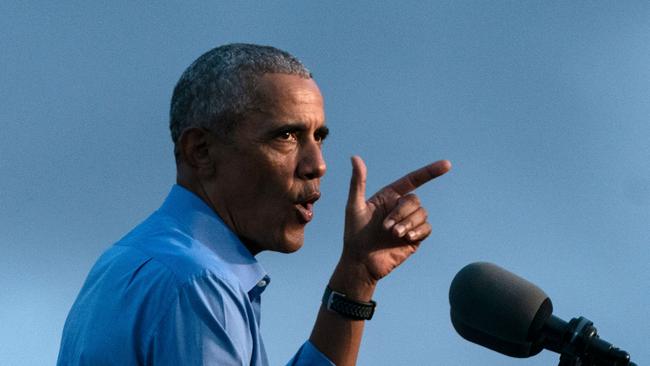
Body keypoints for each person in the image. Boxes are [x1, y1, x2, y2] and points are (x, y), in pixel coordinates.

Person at [57, 43, 451, 366]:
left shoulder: (128, 258)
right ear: (201, 151)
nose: (318, 164)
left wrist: (357, 274)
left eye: (319, 136)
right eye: (286, 136)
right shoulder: (198, 283)